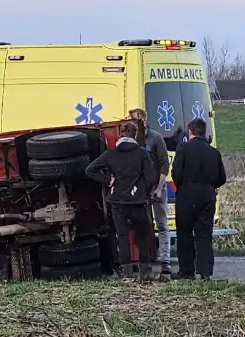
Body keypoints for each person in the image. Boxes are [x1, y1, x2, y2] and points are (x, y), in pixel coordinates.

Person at [85, 122, 159, 277]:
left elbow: (90, 169)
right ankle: (145, 271)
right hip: (138, 202)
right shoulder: (141, 154)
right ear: (134, 135)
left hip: (117, 201)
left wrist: (107, 180)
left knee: (122, 235)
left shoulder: (111, 153)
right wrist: (143, 193)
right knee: (142, 235)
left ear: (121, 134)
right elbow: (151, 178)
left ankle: (126, 273)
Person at [171, 118, 227, 280]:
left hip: (187, 196)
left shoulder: (183, 148)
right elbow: (221, 178)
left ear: (190, 132)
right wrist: (210, 185)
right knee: (204, 234)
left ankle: (186, 271)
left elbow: (177, 173)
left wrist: (183, 186)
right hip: (207, 196)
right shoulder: (214, 152)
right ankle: (205, 272)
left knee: (185, 233)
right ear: (204, 132)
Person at [128, 108, 172, 274]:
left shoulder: (155, 138)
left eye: (135, 120)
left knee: (162, 223)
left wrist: (159, 188)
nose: (133, 123)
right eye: (131, 120)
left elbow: (164, 164)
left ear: (144, 121)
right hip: (139, 190)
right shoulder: (130, 140)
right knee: (141, 224)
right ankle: (143, 258)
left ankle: (165, 259)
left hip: (156, 186)